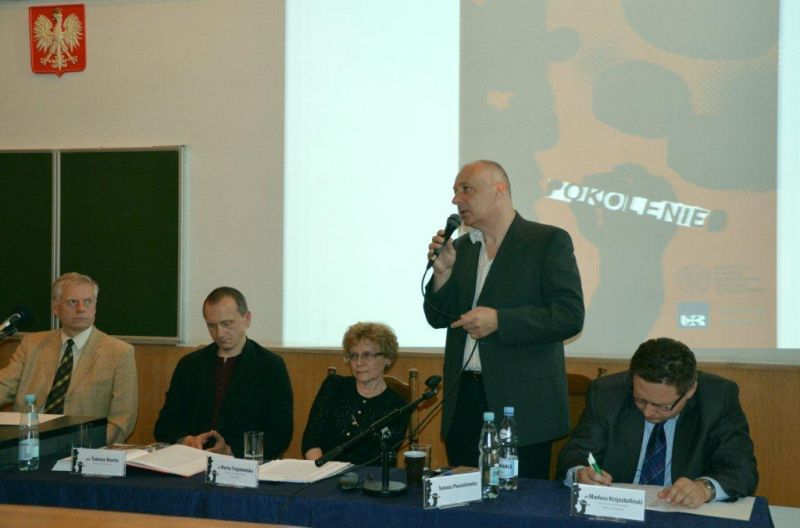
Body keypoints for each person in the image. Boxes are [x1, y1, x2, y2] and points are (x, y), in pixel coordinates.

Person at [424, 160, 584, 478]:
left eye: (466, 189)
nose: (456, 199)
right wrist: (441, 275)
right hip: (464, 401)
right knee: (465, 498)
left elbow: (569, 316)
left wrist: (501, 321)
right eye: (455, 191)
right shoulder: (461, 248)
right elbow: (437, 318)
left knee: (520, 501)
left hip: (522, 406)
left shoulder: (547, 241)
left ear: (499, 190)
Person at [557, 337, 758, 508]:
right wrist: (580, 473)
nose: (648, 412)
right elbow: (577, 453)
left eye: (662, 406)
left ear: (689, 390)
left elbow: (741, 469)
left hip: (684, 513)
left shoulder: (718, 399)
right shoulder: (606, 393)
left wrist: (705, 488)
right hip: (619, 509)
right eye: (640, 400)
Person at [154, 287, 293, 459]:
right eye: (212, 326)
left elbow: (280, 434)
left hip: (243, 465)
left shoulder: (270, 366)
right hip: (191, 461)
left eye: (227, 324)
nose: (219, 334)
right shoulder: (190, 365)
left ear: (247, 319)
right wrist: (186, 440)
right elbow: (164, 426)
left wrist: (230, 450)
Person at [0, 272, 138, 445]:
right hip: (26, 444)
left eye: (88, 301)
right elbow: (4, 386)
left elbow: (122, 420)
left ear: (95, 307)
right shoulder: (32, 344)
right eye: (72, 302)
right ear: (56, 308)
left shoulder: (119, 352)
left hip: (83, 448)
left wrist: (82, 449)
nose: (81, 309)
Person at [302, 322, 410, 465]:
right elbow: (311, 441)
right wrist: (322, 470)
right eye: (353, 356)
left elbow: (381, 460)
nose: (359, 363)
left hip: (369, 476)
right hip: (323, 473)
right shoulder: (334, 386)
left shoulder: (398, 406)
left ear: (388, 358)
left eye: (367, 355)